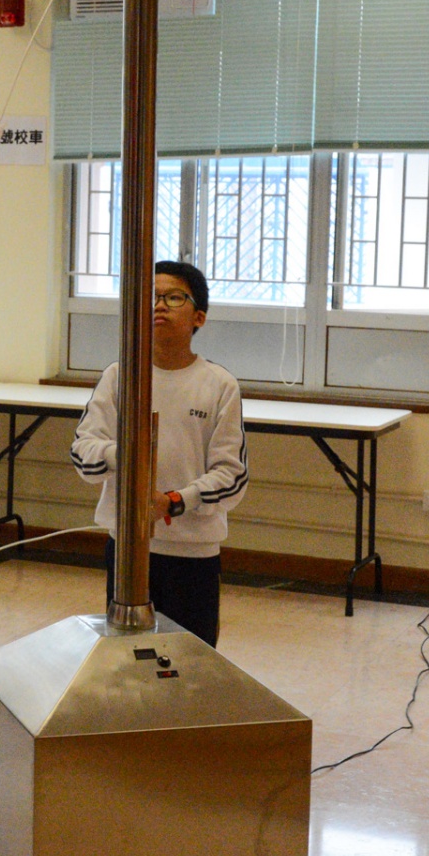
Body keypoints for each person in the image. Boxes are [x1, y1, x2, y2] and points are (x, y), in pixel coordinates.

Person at [70, 261, 247, 649]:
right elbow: (83, 452)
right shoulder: (119, 376)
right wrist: (126, 454)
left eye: (174, 297)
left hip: (193, 552)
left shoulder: (220, 385)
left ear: (199, 317)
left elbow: (230, 476)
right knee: (128, 655)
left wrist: (173, 502)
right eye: (152, 296)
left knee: (191, 658)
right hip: (129, 547)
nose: (159, 305)